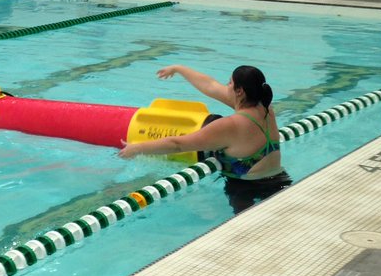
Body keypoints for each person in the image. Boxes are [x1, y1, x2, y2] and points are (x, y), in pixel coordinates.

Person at [119, 64, 291, 213]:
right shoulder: (266, 109)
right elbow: (210, 85)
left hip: (245, 190)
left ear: (239, 91)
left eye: (229, 83)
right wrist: (179, 69)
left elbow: (177, 144)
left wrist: (137, 148)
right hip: (280, 181)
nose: (226, 86)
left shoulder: (230, 125)